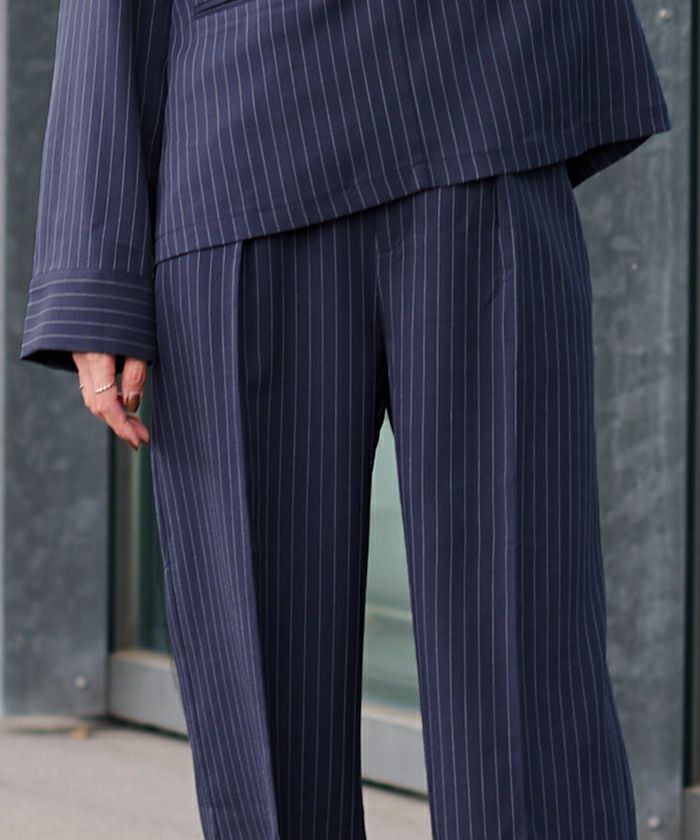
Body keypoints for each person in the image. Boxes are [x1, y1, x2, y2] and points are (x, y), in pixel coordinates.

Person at [19, 1, 672, 838]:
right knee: (292, 720)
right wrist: (91, 264)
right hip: (255, 137)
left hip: (476, 87)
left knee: (527, 693)